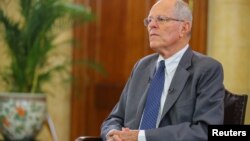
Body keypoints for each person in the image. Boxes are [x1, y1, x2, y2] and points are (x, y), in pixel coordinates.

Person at [101, 0, 225, 141]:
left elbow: (205, 130)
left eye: (161, 19)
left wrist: (141, 137)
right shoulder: (142, 66)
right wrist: (113, 134)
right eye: (149, 21)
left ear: (184, 28)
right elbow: (114, 118)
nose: (152, 26)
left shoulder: (207, 69)